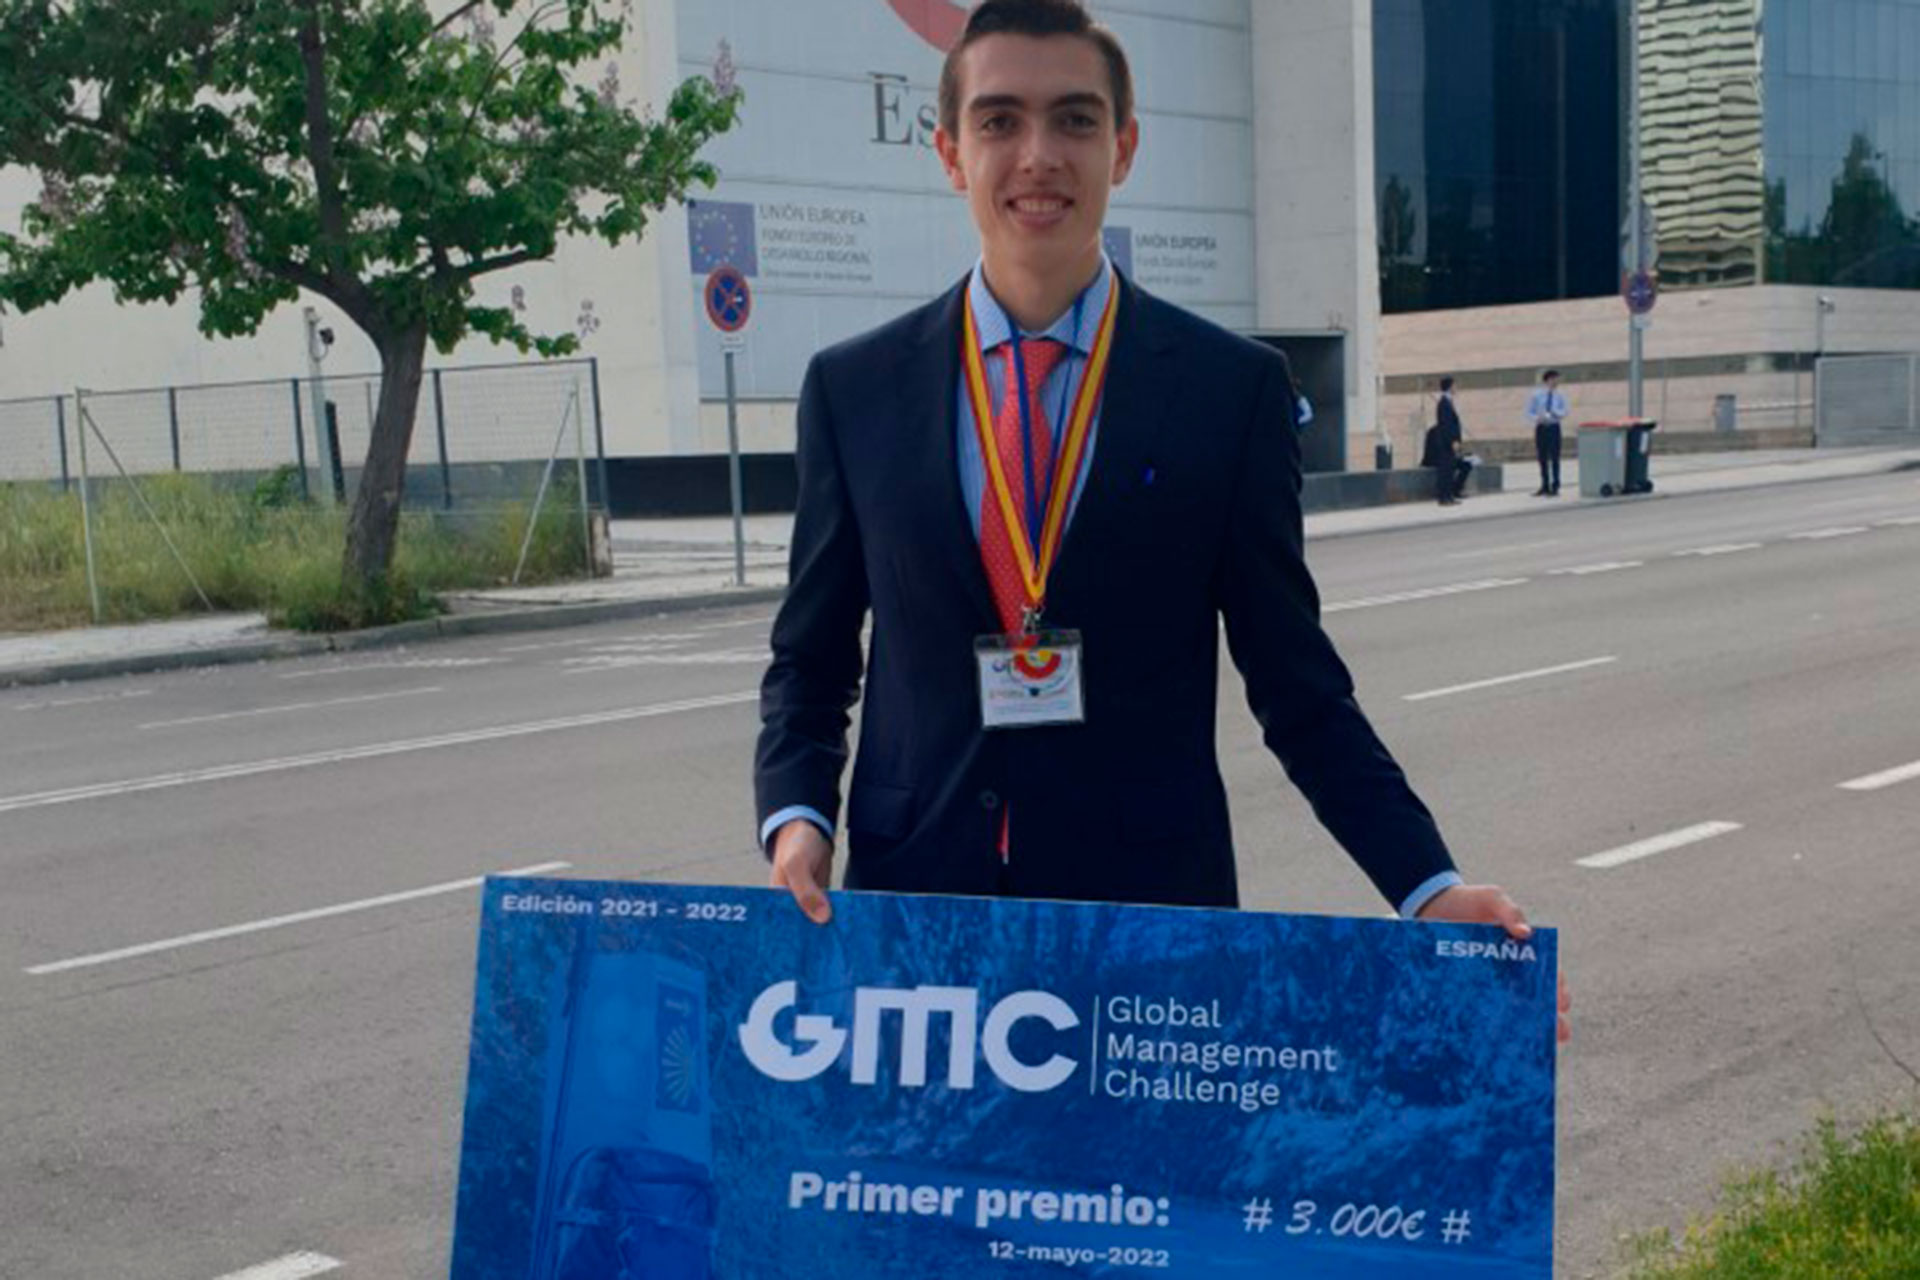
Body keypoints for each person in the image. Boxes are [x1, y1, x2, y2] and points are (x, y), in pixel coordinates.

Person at [754, 0, 1566, 1038]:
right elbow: (813, 657)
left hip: (1152, 934)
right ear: (950, 152)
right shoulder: (854, 390)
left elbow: (1297, 683)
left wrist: (1426, 882)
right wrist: (797, 817)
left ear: (1124, 146)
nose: (1038, 155)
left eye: (1076, 120)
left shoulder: (1231, 393)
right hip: (918, 921)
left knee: (1133, 1207)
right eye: (999, 121)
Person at [1424, 376, 1471, 505]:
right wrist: (1453, 441)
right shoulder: (1444, 403)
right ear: (1450, 386)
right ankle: (1443, 497)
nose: (1456, 388)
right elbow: (1446, 425)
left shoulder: (1448, 401)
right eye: (1455, 385)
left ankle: (1449, 496)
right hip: (1446, 443)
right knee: (1445, 471)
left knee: (1449, 471)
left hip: (1448, 442)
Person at [1527, 369, 1567, 496]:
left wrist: (1556, 412)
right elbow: (1529, 412)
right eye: (1554, 379)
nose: (1556, 382)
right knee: (1542, 457)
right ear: (1547, 380)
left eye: (1557, 379)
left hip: (1554, 426)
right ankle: (1545, 484)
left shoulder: (1560, 395)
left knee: (1555, 457)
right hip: (1541, 427)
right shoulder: (1536, 395)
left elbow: (1565, 411)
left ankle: (1555, 485)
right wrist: (1537, 418)